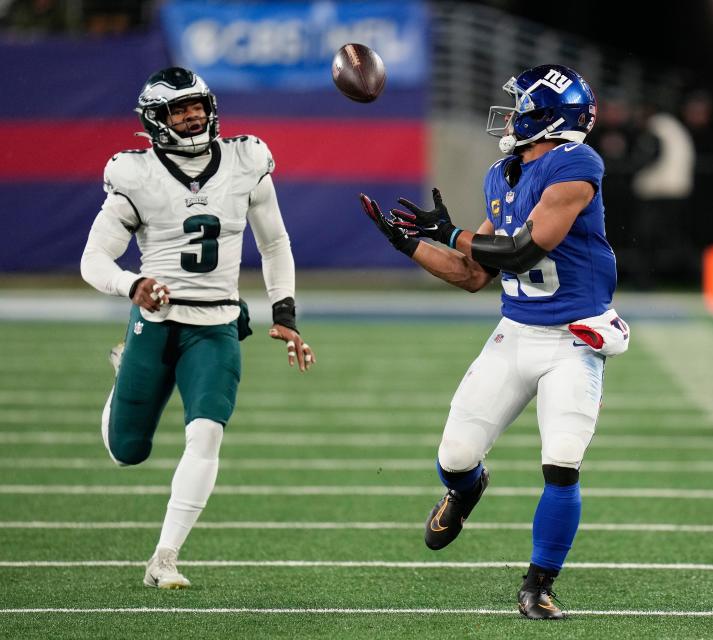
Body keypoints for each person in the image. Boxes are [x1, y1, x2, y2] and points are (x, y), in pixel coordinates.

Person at [359, 64, 630, 619]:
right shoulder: (502, 174)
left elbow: (521, 252)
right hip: (515, 333)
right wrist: (407, 243)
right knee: (455, 456)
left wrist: (449, 232)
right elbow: (472, 273)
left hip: (573, 339)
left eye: (521, 106)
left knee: (561, 460)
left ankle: (539, 583)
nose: (510, 116)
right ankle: (466, 489)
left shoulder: (577, 166)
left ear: (550, 116)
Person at [80, 67, 314, 589]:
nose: (191, 115)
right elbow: (94, 258)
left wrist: (285, 316)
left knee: (206, 433)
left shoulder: (246, 159)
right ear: (154, 121)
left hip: (217, 323)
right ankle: (123, 380)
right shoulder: (134, 173)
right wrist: (131, 284)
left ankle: (164, 557)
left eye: (197, 105)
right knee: (127, 451)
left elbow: (275, 243)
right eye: (176, 109)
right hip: (157, 318)